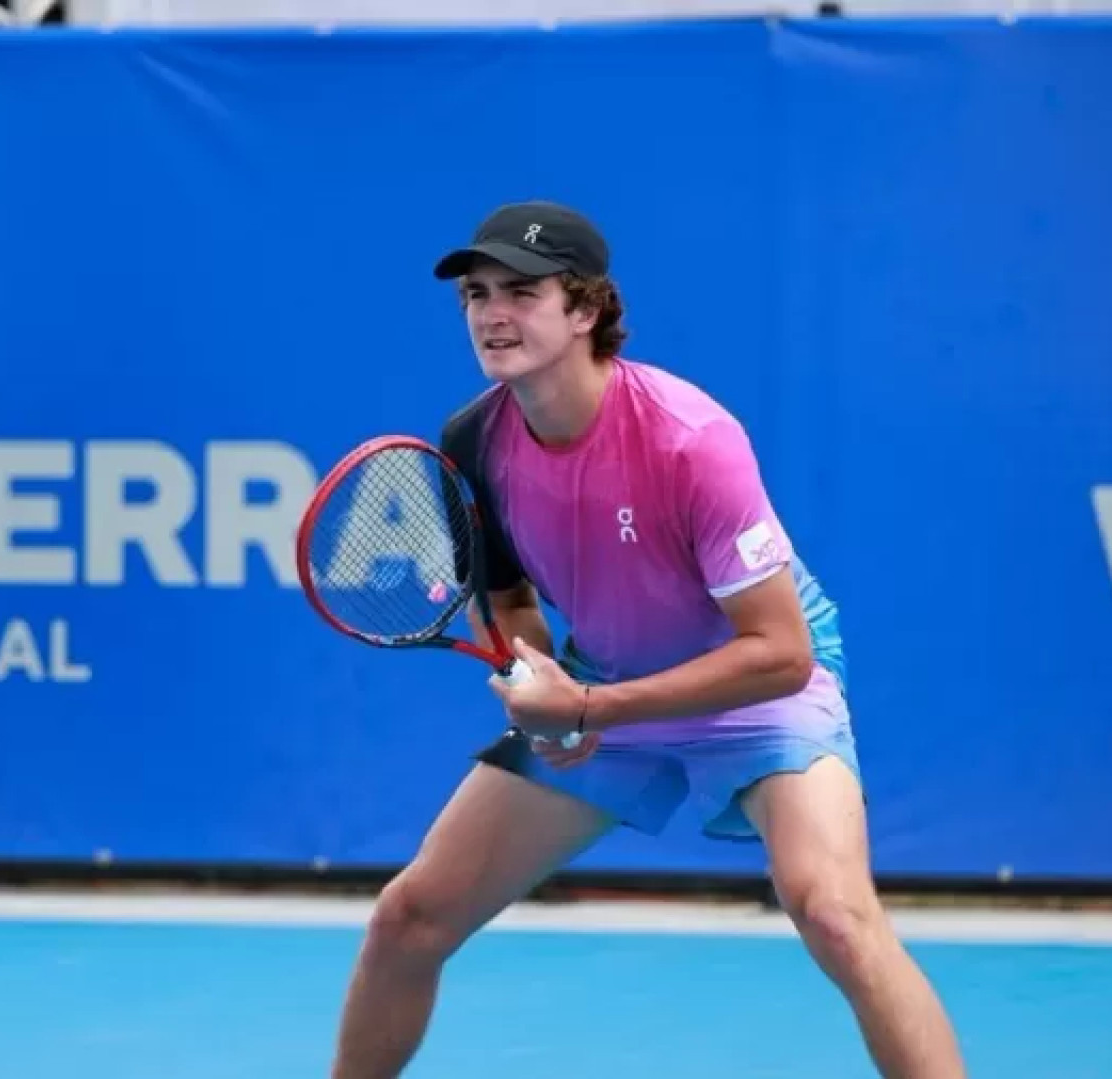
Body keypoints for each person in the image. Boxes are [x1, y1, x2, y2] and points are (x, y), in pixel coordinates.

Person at [327, 202, 965, 1078]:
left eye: (522, 291)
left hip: (765, 697)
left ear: (586, 308)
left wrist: (589, 705)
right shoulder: (473, 438)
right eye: (477, 294)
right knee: (411, 916)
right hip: (608, 681)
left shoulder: (691, 439)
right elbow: (506, 592)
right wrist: (538, 675)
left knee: (836, 916)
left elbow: (782, 652)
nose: (491, 314)